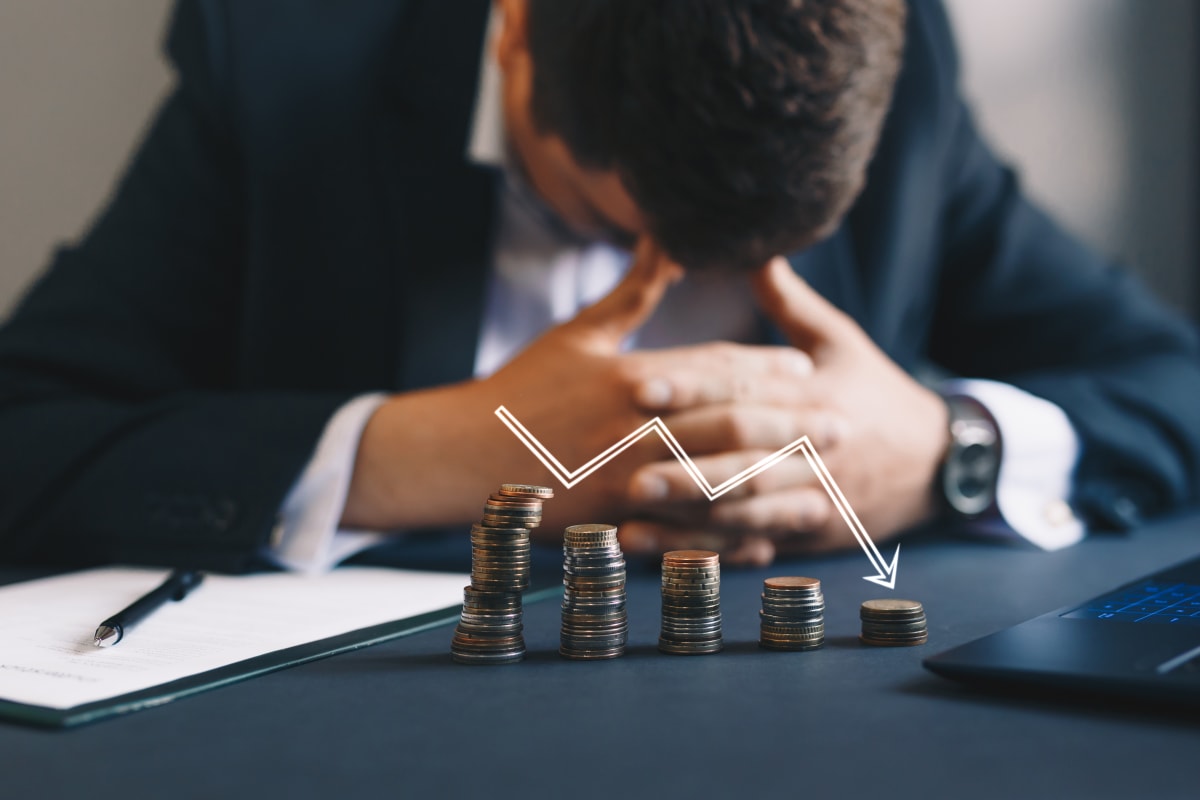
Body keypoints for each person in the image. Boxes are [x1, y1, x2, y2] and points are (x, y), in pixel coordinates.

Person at [0, 0, 1196, 574]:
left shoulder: (898, 67)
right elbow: (26, 434)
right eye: (614, 218)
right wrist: (414, 452)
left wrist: (946, 445)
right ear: (511, 32)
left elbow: (1171, 381)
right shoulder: (279, 66)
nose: (681, 275)